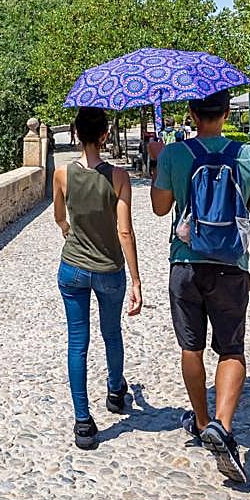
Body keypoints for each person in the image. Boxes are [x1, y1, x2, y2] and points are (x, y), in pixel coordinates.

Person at [151, 89, 250, 485]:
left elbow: (160, 208)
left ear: (191, 113)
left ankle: (202, 422)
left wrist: (159, 160)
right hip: (231, 267)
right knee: (231, 349)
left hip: (185, 264)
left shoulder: (175, 154)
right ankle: (223, 425)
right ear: (227, 112)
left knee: (192, 347)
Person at [52, 107, 143, 450]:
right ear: (105, 135)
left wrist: (68, 231)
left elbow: (59, 218)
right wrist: (136, 280)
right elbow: (125, 231)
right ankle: (116, 392)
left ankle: (83, 422)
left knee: (77, 342)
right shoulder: (118, 177)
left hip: (72, 269)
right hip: (109, 271)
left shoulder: (62, 174)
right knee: (111, 332)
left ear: (76, 134)